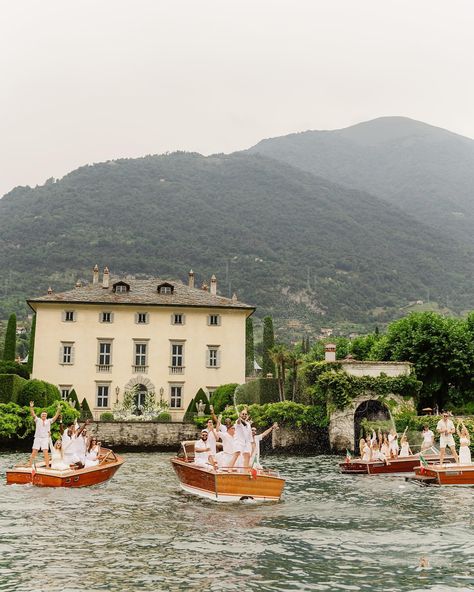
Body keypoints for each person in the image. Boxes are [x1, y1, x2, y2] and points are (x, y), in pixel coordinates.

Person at [29, 401, 61, 468]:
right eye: (43, 415)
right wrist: (31, 407)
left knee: (45, 452)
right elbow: (32, 414)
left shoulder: (49, 421)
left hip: (45, 438)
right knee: (34, 451)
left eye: (45, 415)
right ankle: (29, 465)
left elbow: (55, 417)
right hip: (37, 437)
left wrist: (58, 409)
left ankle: (47, 466)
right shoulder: (37, 420)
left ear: (46, 416)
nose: (44, 415)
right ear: (41, 415)